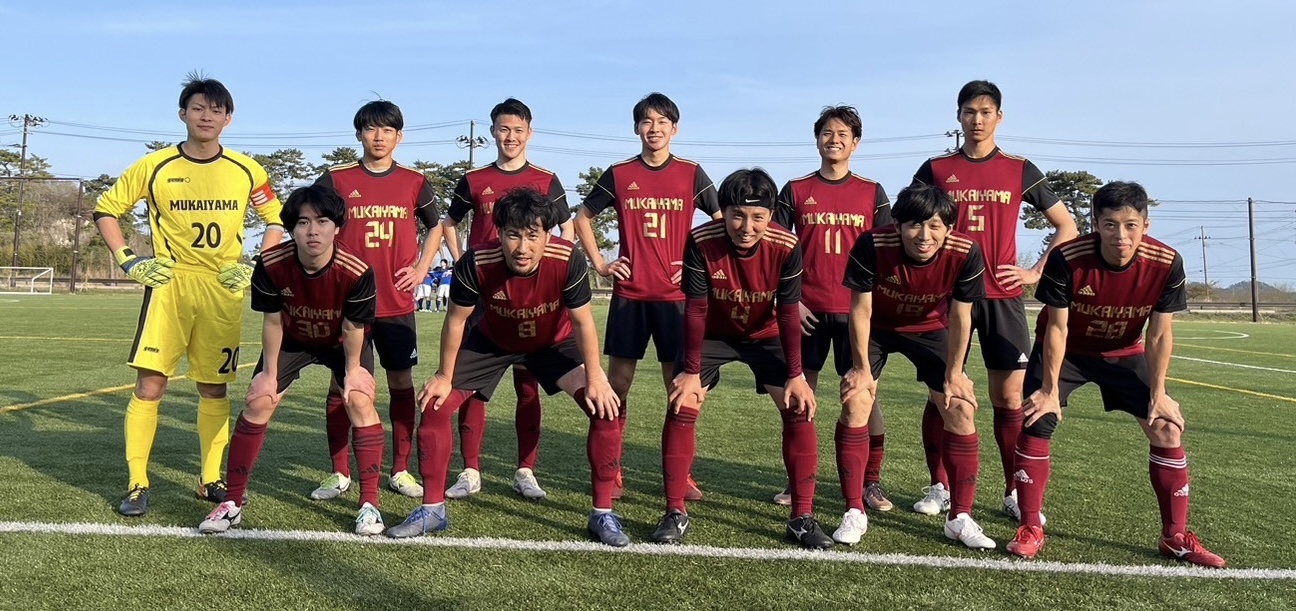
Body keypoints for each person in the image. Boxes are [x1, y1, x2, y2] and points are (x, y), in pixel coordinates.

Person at [388, 187, 625, 546]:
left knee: (605, 409)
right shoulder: (476, 261)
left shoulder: (567, 258)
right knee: (435, 405)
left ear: (548, 235)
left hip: (551, 342)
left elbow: (582, 322)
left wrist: (596, 377)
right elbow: (456, 320)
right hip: (492, 342)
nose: (523, 247)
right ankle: (433, 510)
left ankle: (602, 514)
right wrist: (443, 375)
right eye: (513, 235)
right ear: (498, 233)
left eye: (533, 235)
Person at [92, 73, 284, 516]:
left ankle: (210, 478)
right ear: (183, 114)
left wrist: (256, 265)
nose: (206, 116)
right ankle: (137, 483)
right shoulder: (154, 165)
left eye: (216, 110)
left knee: (214, 387)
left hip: (222, 288)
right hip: (169, 286)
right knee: (151, 384)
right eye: (198, 108)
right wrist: (128, 259)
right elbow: (106, 210)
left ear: (228, 119)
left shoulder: (247, 170)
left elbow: (275, 218)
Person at [1006, 181, 1225, 568]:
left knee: (1166, 428)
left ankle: (1174, 536)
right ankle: (1030, 527)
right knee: (1038, 418)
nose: (1120, 235)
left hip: (1123, 352)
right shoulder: (1068, 258)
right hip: (1068, 351)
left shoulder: (1166, 262)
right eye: (1109, 225)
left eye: (1130, 225)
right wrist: (1050, 390)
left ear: (1145, 225)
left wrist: (1159, 393)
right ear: (1095, 225)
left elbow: (1159, 333)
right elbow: (1056, 328)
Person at [910, 80, 1078, 519]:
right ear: (958, 116)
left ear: (999, 117)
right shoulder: (936, 168)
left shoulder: (1018, 168)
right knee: (944, 393)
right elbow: (907, 221)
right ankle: (940, 486)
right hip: (948, 297)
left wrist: (1035, 272)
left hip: (1002, 296)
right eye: (969, 112)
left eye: (985, 112)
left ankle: (1013, 492)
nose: (977, 120)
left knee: (1009, 397)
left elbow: (1067, 226)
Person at [653, 168, 831, 550]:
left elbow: (788, 312)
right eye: (737, 215)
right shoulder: (701, 239)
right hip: (712, 333)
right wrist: (690, 371)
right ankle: (674, 511)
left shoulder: (787, 244)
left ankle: (801, 516)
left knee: (798, 407)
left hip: (765, 333)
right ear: (724, 212)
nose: (746, 227)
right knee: (682, 401)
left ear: (771, 215)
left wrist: (796, 375)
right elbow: (696, 309)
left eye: (757, 217)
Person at [198, 185, 383, 535]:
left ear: (337, 228)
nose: (313, 230)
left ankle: (369, 504)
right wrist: (269, 373)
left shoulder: (357, 270)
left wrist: (354, 370)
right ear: (292, 229)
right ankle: (232, 503)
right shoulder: (271, 264)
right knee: (259, 400)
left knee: (359, 400)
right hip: (293, 338)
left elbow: (353, 326)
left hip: (341, 341)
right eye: (303, 222)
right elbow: (272, 321)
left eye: (322, 221)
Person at [574, 92, 719, 500]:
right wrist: (601, 264)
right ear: (637, 128)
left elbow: (720, 222)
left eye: (662, 122)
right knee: (618, 384)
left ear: (675, 128)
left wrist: (698, 265)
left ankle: (679, 475)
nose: (654, 129)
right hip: (631, 296)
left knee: (679, 386)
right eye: (646, 121)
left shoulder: (691, 173)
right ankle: (611, 469)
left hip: (676, 298)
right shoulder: (620, 173)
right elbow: (582, 218)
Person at [837, 184, 991, 548]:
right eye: (915, 225)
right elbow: (860, 309)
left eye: (935, 226)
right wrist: (861, 369)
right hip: (876, 328)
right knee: (856, 402)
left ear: (949, 229)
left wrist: (955, 373)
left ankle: (960, 517)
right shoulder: (872, 244)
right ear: (898, 225)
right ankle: (854, 510)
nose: (924, 236)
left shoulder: (966, 251)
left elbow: (962, 315)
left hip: (930, 327)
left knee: (960, 407)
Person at [438, 98, 572, 501]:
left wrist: (552, 268)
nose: (510, 137)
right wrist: (461, 258)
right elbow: (449, 222)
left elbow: (565, 230)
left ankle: (525, 470)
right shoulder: (475, 179)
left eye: (517, 130)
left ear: (529, 133)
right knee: (473, 385)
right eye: (503, 129)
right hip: (484, 292)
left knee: (528, 385)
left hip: (531, 292)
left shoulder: (546, 180)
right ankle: (470, 470)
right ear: (493, 132)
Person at [311, 100, 443, 503]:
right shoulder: (336, 178)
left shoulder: (414, 181)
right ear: (359, 134)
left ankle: (400, 469)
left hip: (396, 304)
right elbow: (313, 221)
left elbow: (436, 226)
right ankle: (339, 472)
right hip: (348, 306)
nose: (379, 136)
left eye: (387, 130)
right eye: (371, 129)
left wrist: (421, 269)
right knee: (344, 386)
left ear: (399, 136)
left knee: (400, 382)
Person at [772, 105, 893, 510]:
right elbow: (775, 248)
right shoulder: (795, 189)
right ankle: (798, 479)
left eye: (843, 134)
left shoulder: (872, 191)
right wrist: (791, 301)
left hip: (857, 312)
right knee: (798, 397)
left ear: (855, 143)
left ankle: (870, 482)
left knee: (865, 396)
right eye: (827, 132)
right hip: (806, 311)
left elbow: (888, 252)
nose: (834, 139)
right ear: (817, 139)